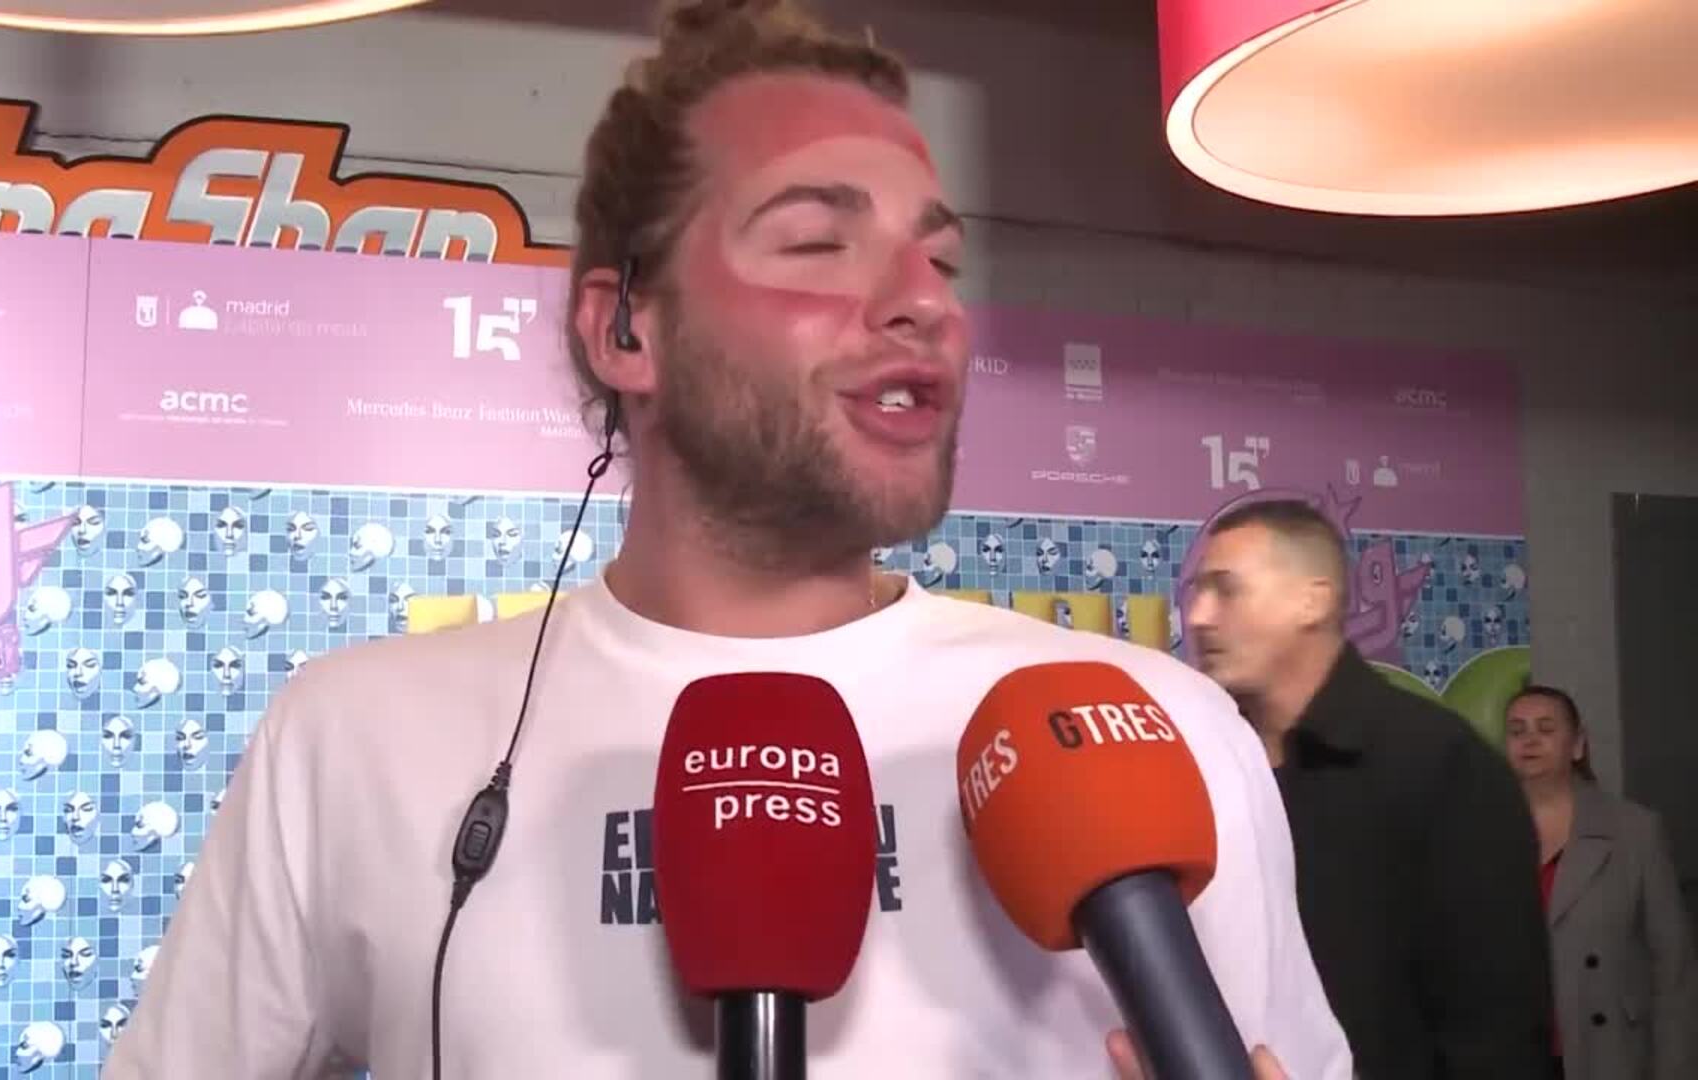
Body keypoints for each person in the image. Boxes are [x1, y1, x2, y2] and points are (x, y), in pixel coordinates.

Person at [105, 3, 1350, 1076]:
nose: (924, 302)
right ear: (627, 331)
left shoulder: (1156, 732)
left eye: (939, 257)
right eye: (818, 243)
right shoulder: (353, 738)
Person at [1183, 498, 1554, 1078]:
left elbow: (1495, 1035)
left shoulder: (1440, 764)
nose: (1200, 616)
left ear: (1313, 599)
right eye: (1197, 593)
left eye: (1226, 590)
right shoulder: (1208, 762)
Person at [1506, 685, 1698, 1080]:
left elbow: (1672, 965)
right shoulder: (1477, 833)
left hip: (1608, 1054)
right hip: (1511, 1052)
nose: (1530, 740)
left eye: (1546, 728)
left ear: (1577, 745)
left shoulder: (1635, 831)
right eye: (1517, 730)